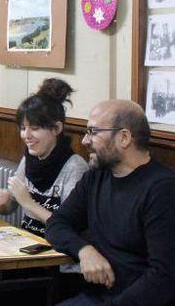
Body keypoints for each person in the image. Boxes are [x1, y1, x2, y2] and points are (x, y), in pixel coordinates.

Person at [46, 99, 175, 306]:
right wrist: (84, 250)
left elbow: (164, 277)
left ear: (124, 137)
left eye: (93, 132)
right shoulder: (95, 177)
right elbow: (57, 223)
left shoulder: (162, 189)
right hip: (96, 296)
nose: (85, 141)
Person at [0, 78, 89, 303]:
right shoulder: (30, 158)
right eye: (23, 128)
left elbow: (69, 228)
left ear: (57, 129)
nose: (26, 135)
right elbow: (10, 206)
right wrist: (3, 202)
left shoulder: (75, 167)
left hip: (59, 260)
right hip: (27, 250)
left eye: (34, 128)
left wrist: (29, 203)